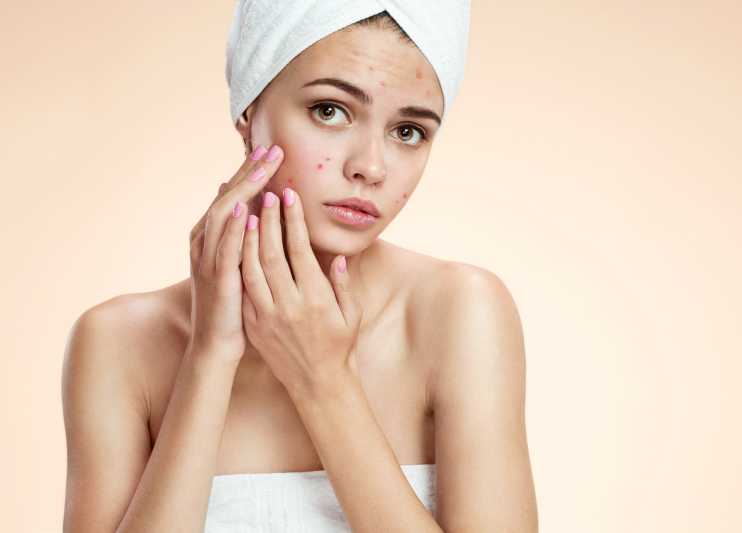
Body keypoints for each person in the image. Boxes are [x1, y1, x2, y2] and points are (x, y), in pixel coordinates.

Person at [62, 4, 538, 532]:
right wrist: (209, 355)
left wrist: (324, 381)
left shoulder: (460, 312)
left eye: (408, 131)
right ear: (248, 112)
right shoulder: (118, 342)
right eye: (329, 110)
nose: (370, 166)